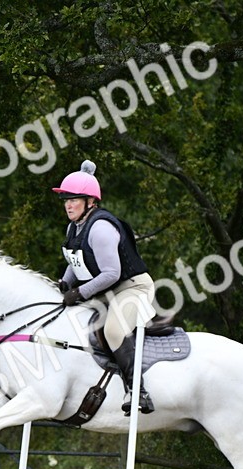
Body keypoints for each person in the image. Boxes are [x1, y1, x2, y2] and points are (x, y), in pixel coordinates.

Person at [52, 159, 156, 414]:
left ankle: (138, 391)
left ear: (90, 201)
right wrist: (66, 283)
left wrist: (79, 292)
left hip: (133, 288)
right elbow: (75, 259)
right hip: (106, 291)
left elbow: (112, 273)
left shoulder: (100, 228)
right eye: (65, 199)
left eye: (73, 199)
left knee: (113, 330)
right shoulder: (74, 227)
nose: (68, 205)